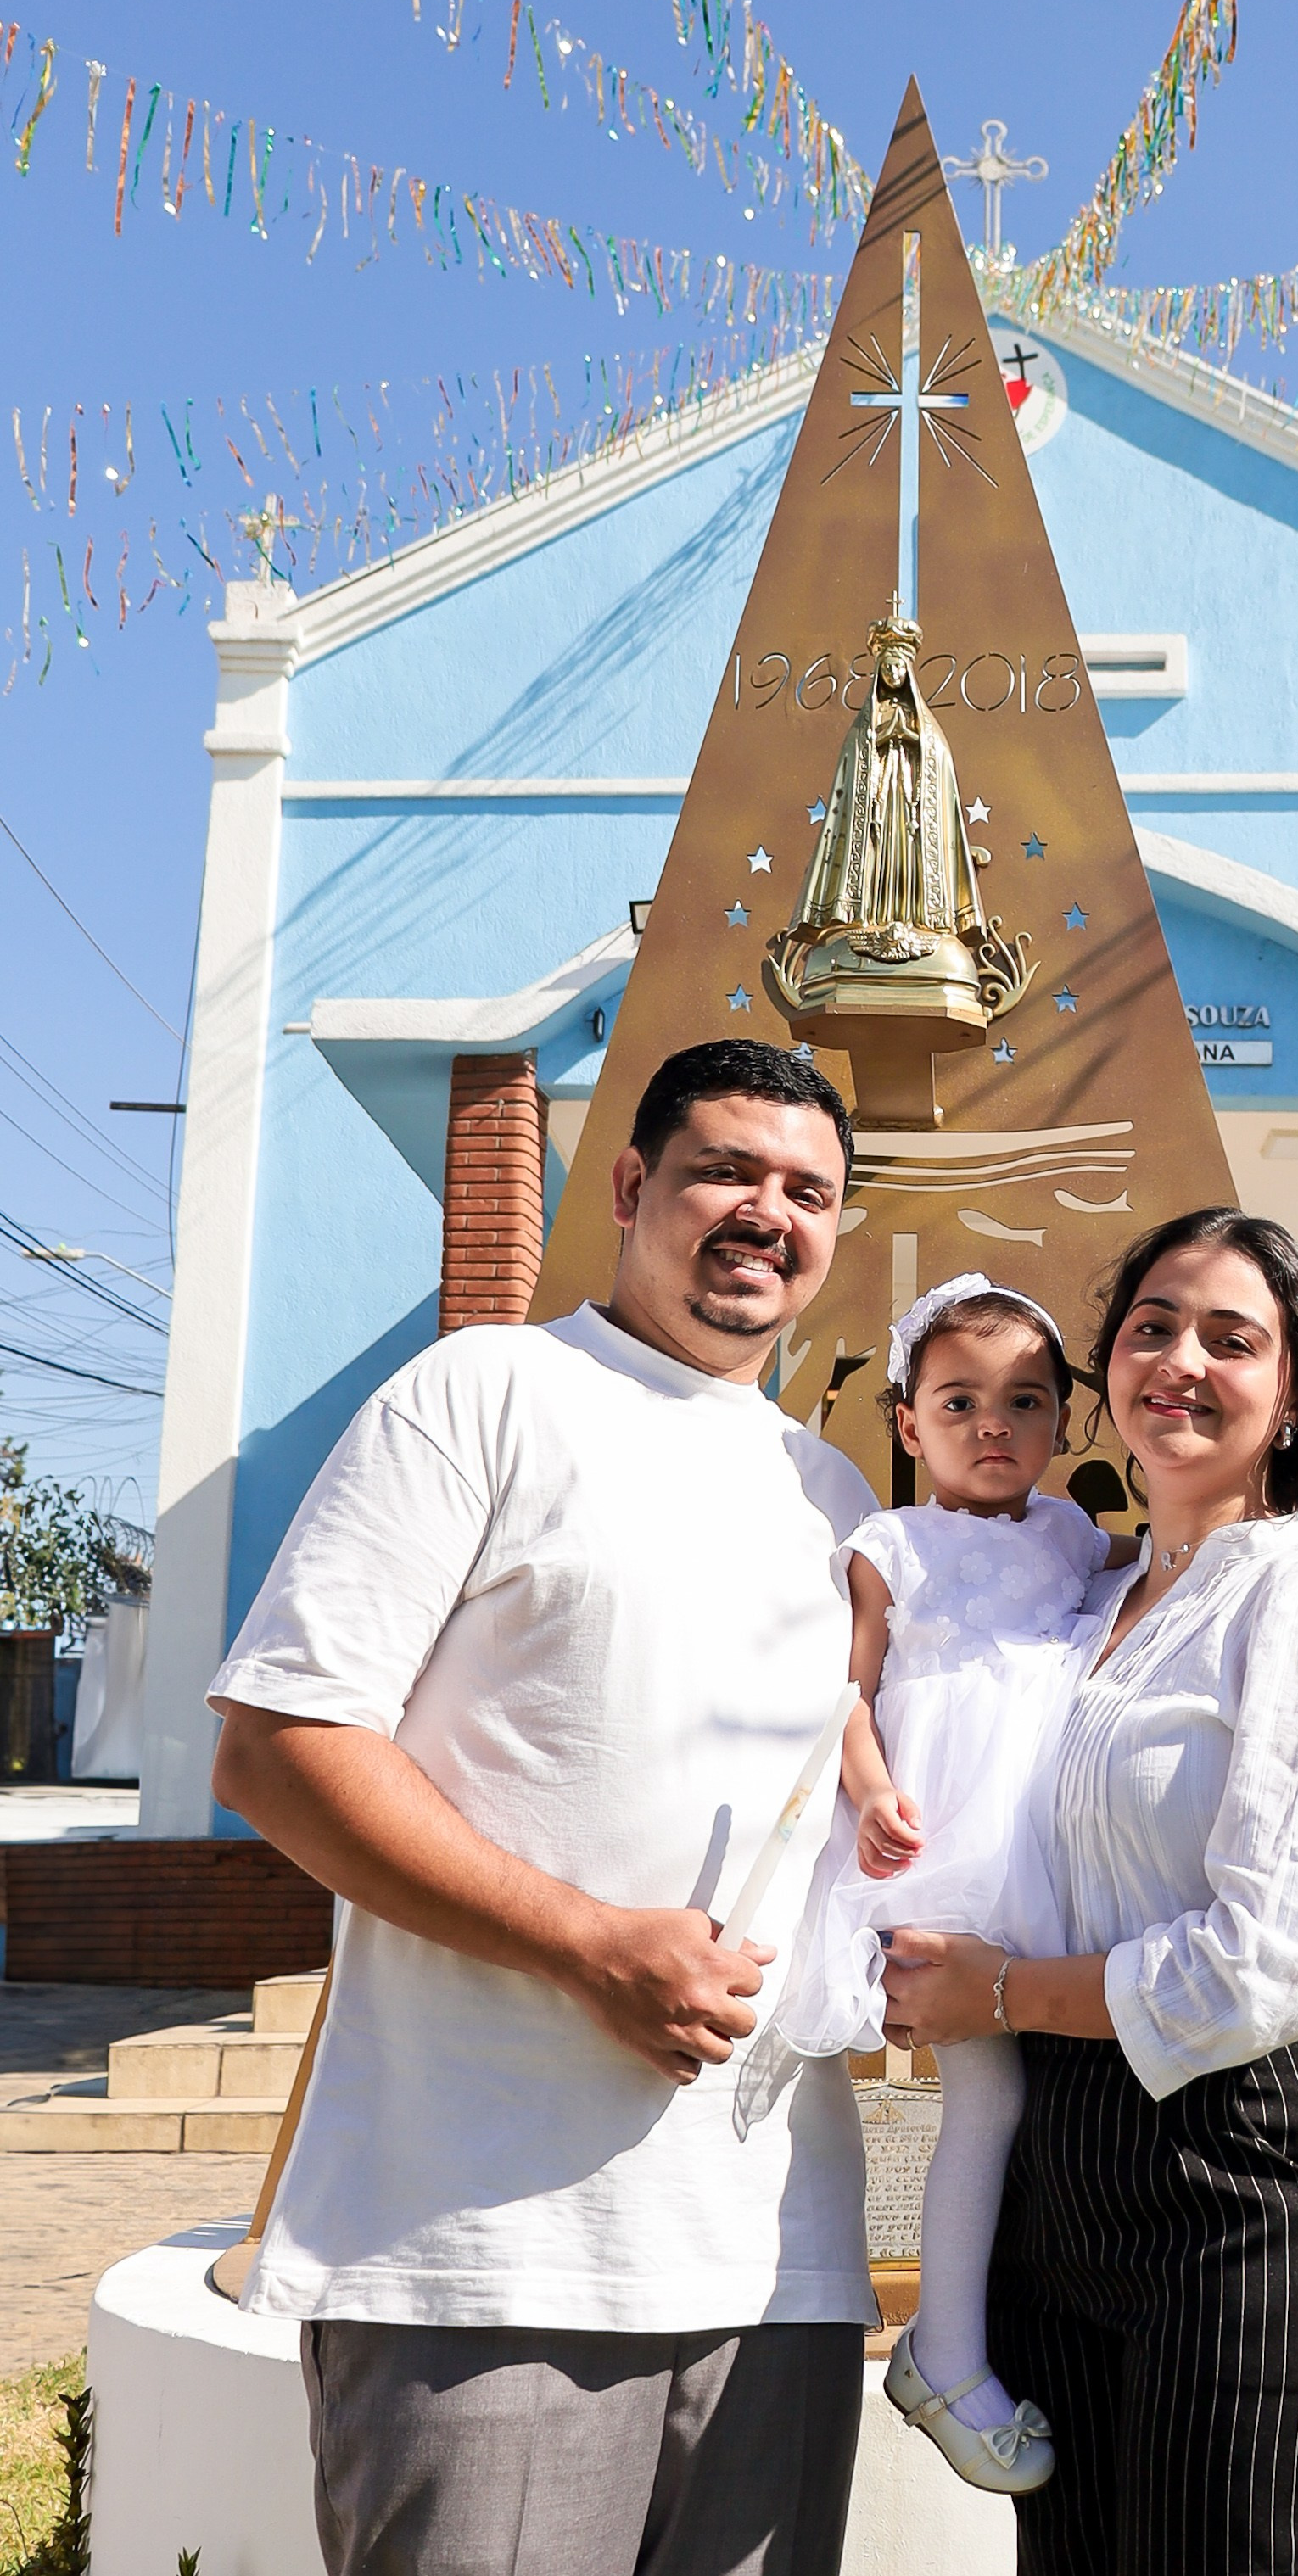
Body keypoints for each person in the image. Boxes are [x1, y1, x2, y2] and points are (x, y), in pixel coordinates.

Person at [207, 1040, 881, 2576]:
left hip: (774, 2253)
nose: (763, 1211)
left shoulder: (832, 1496)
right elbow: (278, 1745)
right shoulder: (484, 1390)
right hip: (483, 2250)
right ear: (630, 1185)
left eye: (805, 1190)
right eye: (724, 1168)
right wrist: (586, 1941)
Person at [882, 1208, 1298, 2576]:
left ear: (1296, 1387)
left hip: (1249, 2169)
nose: (1180, 1358)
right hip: (1064, 2171)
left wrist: (1002, 1989)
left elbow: (1261, 1957)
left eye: (1230, 1335)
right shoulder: (1084, 1601)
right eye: (1150, 1325)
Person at [743, 1273, 1133, 2499]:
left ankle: (960, 2342)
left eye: (1025, 1401)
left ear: (1063, 1421)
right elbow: (843, 1690)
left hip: (1043, 1856)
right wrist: (868, 1796)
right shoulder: (888, 1545)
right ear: (908, 1422)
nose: (992, 1426)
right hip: (939, 1849)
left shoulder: (1074, 1535)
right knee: (987, 2094)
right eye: (959, 1401)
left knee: (1023, 2096)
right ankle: (945, 2353)